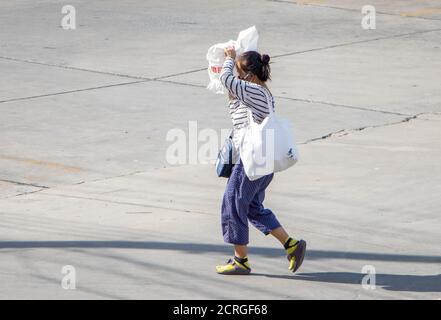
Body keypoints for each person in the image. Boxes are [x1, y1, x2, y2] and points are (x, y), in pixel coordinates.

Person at [215, 47, 306, 275]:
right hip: (260, 161)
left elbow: (225, 79)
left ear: (250, 75)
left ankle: (240, 261)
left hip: (251, 163)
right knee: (252, 207)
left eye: (239, 72)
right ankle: (291, 245)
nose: (236, 76)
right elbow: (229, 86)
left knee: (233, 203)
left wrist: (228, 59)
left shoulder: (254, 91)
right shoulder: (257, 90)